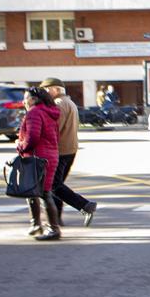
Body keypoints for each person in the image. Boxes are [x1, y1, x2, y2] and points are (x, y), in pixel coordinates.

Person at [40, 78, 97, 227]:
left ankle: (85, 205)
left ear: (56, 89)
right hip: (70, 149)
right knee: (56, 186)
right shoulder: (70, 102)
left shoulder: (59, 105)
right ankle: (56, 219)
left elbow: (54, 129)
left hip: (60, 151)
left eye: (47, 90)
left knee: (53, 185)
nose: (44, 93)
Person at [17, 87, 62, 241]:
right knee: (34, 192)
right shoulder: (49, 112)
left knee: (43, 193)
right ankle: (36, 224)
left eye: (26, 98)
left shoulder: (34, 113)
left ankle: (53, 229)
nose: (24, 101)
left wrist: (20, 145)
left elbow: (33, 138)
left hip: (38, 157)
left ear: (34, 100)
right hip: (49, 155)